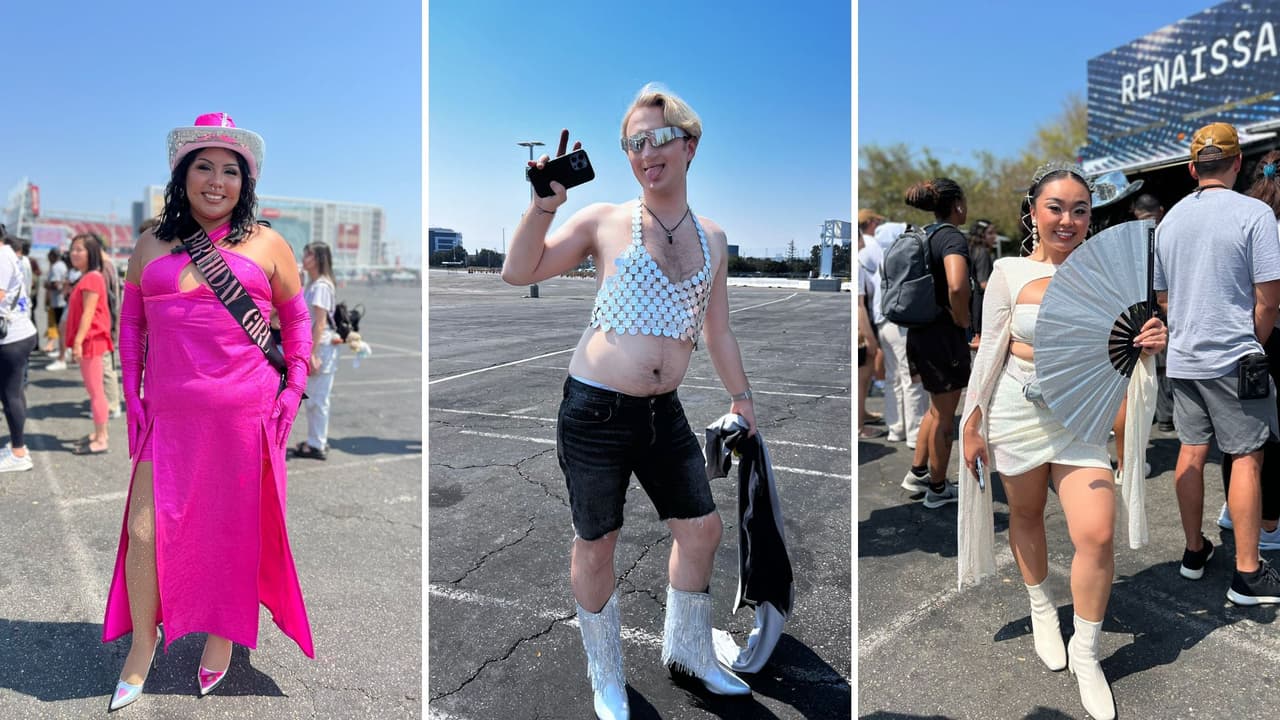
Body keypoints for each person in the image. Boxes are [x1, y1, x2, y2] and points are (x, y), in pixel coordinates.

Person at [501, 84, 754, 720]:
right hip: (594, 411)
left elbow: (716, 329)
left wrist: (741, 398)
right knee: (598, 542)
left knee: (702, 530)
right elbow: (519, 270)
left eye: (658, 139)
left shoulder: (715, 237)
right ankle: (606, 674)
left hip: (662, 412)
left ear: (689, 144)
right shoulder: (605, 221)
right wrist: (542, 208)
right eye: (633, 143)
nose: (645, 153)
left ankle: (690, 653)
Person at [103, 112, 314, 711]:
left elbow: (297, 323)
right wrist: (134, 395)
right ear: (182, 175)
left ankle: (221, 636)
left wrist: (291, 392)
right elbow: (131, 326)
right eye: (205, 167)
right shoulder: (151, 244)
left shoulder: (268, 243)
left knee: (232, 534)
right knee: (143, 532)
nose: (216, 181)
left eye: (230, 171)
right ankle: (144, 643)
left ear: (245, 182)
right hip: (168, 421)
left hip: (245, 420)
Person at [960, 162, 1167, 720]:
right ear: (1033, 212)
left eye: (1080, 210)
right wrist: (971, 424)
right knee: (1025, 515)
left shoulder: (1110, 275)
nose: (1069, 220)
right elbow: (991, 350)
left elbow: (1127, 343)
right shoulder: (1005, 272)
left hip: (1080, 419)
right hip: (1015, 410)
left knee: (1097, 533)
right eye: (1056, 208)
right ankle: (1042, 609)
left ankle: (1089, 651)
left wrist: (1152, 339)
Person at [1155, 121, 1280, 606]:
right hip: (1234, 356)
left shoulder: (1169, 222)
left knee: (1190, 451)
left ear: (1191, 168)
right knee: (1247, 457)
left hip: (1184, 358)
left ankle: (1193, 552)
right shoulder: (1254, 214)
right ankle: (1247, 573)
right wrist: (1255, 340)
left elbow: (1163, 298)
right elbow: (1268, 299)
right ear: (1235, 164)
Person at [1209, 149, 1280, 550]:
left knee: (1237, 440)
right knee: (1266, 439)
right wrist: (1257, 341)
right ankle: (1268, 526)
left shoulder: (1240, 215)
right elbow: (1269, 301)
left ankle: (1234, 512)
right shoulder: (1262, 223)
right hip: (1265, 338)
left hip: (1235, 339)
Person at [899, 178, 970, 508]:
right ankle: (938, 489)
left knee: (935, 409)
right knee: (945, 416)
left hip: (920, 333)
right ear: (956, 204)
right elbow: (956, 285)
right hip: (943, 337)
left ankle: (919, 472)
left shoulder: (923, 234)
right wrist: (962, 319)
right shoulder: (951, 237)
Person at [874, 221, 928, 448]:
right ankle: (916, 434)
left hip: (882, 323)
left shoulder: (879, 258)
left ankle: (896, 428)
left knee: (892, 378)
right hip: (901, 325)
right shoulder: (904, 258)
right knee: (912, 379)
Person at [65, 233, 113, 455]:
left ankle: (102, 437)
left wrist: (77, 342)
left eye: (79, 249)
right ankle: (99, 432)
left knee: (96, 392)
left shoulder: (92, 277)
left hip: (92, 341)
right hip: (91, 340)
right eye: (73, 249)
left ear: (91, 253)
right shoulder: (88, 276)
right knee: (94, 390)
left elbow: (88, 314)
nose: (74, 253)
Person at [293, 241, 341, 461]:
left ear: (320, 259)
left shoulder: (321, 286)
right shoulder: (314, 284)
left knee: (317, 399)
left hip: (320, 347)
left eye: (309, 255)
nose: (305, 259)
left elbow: (319, 323)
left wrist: (311, 354)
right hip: (317, 345)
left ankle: (317, 444)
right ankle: (316, 440)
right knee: (314, 398)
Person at [0, 235, 38, 472]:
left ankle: (18, 451)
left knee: (10, 393)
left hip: (13, 336)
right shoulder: (7, 255)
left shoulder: (2, 257)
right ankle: (17, 447)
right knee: (12, 393)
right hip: (17, 332)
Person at [966, 219, 996, 349]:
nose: (994, 236)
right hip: (979, 310)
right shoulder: (982, 252)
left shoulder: (969, 249)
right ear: (981, 234)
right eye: (990, 233)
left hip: (969, 308)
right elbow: (984, 283)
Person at [44, 247, 68, 369]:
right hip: (59, 301)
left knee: (61, 328)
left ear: (53, 255)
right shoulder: (62, 265)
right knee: (61, 328)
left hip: (59, 301)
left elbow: (56, 284)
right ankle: (62, 350)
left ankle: (63, 352)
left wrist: (46, 284)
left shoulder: (56, 267)